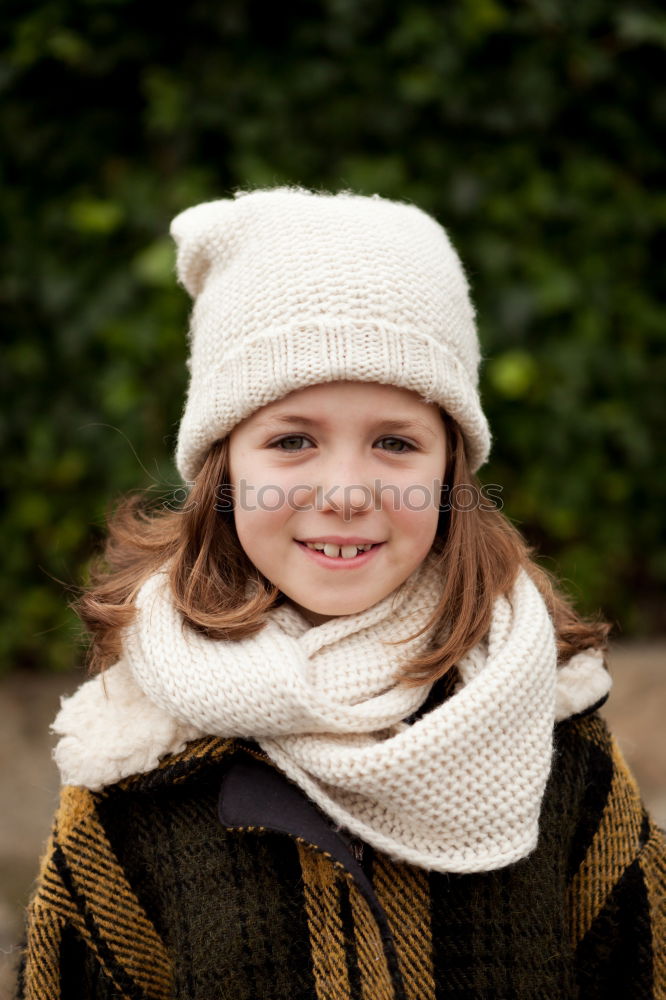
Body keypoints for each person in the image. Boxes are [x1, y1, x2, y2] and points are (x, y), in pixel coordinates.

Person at [17, 186, 666, 1000]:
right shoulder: (137, 772)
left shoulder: (553, 737)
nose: (347, 491)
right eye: (292, 440)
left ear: (449, 474)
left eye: (396, 442)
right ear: (224, 467)